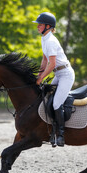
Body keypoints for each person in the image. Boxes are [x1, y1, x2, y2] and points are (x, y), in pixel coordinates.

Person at [33, 12, 75, 147]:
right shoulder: (44, 39)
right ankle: (52, 132)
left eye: (40, 24)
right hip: (58, 74)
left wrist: (41, 79)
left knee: (56, 103)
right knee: (47, 99)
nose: (38, 26)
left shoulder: (51, 41)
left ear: (48, 26)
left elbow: (51, 65)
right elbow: (44, 60)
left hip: (65, 75)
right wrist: (38, 75)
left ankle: (61, 134)